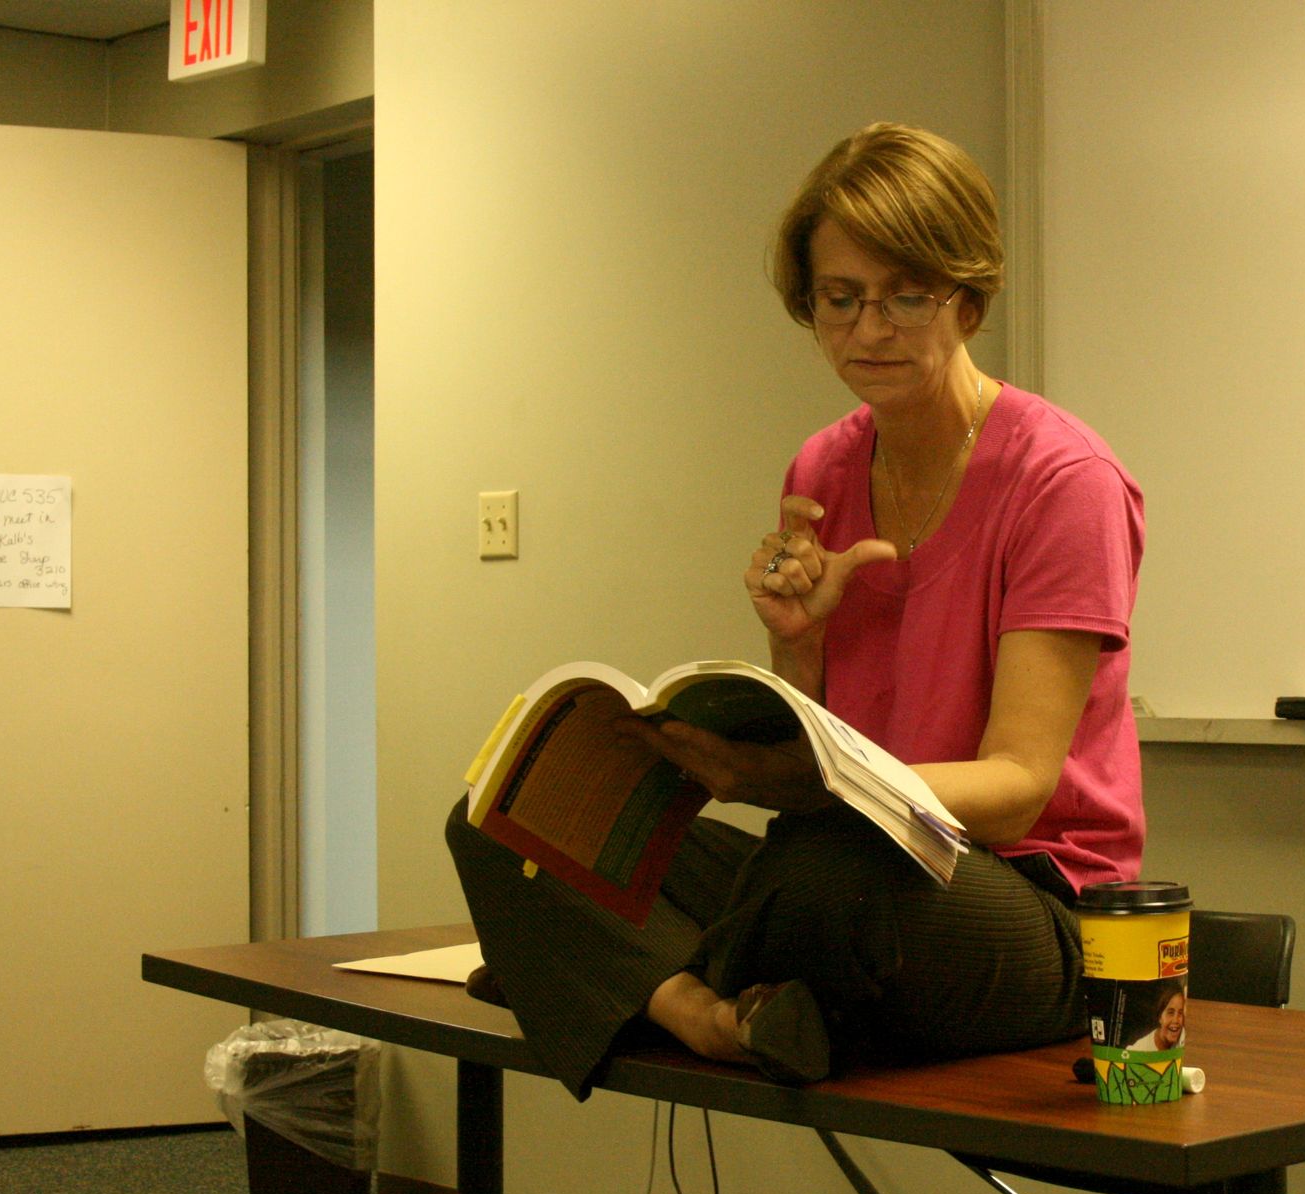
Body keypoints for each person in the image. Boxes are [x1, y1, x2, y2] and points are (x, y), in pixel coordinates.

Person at [446, 122, 1146, 1098]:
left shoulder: (1063, 481)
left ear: (969, 295)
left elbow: (1020, 787)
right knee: (513, 820)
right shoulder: (822, 467)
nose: (868, 332)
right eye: (840, 300)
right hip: (850, 856)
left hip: (1024, 901)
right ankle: (712, 1012)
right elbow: (822, 757)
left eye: (906, 296)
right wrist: (799, 652)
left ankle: (605, 977)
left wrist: (810, 788)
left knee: (830, 868)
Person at [1126, 984, 1186, 1053]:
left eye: (1180, 1013)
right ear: (1160, 1017)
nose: (1176, 1020)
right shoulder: (1139, 1049)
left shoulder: (1183, 1035)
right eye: (1170, 1012)